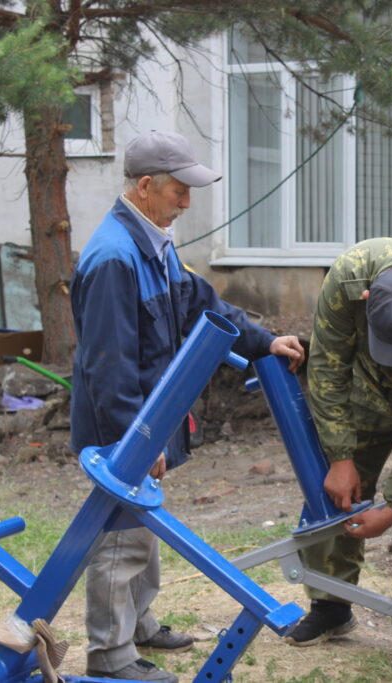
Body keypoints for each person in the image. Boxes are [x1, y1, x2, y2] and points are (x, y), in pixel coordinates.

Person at [70, 130, 304, 682]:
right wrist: (134, 441)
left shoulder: (154, 242)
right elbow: (110, 365)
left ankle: (141, 623)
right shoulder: (114, 257)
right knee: (120, 537)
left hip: (150, 418)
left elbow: (202, 305)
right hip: (125, 425)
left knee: (143, 523)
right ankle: (110, 657)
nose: (187, 202)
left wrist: (263, 338)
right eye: (179, 190)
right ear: (146, 186)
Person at [284, 238, 392, 666]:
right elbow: (326, 367)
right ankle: (331, 603)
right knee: (333, 482)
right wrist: (342, 457)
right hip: (368, 386)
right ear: (366, 300)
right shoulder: (347, 279)